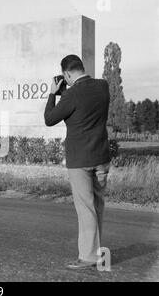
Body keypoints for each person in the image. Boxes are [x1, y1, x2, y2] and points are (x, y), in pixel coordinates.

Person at [44, 54, 111, 270]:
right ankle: (97, 253)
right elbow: (84, 106)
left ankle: (88, 257)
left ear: (66, 74)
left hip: (80, 160)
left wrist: (54, 94)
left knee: (85, 209)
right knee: (97, 207)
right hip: (101, 157)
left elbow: (49, 119)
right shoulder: (103, 86)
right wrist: (67, 93)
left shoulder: (71, 95)